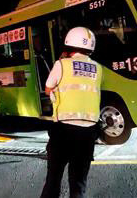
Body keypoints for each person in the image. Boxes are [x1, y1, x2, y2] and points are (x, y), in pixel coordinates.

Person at [40, 27, 103, 198]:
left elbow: (48, 88)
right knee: (78, 184)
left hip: (64, 130)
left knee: (53, 179)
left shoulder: (61, 64)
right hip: (89, 132)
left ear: (69, 43)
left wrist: (62, 62)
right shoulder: (98, 68)